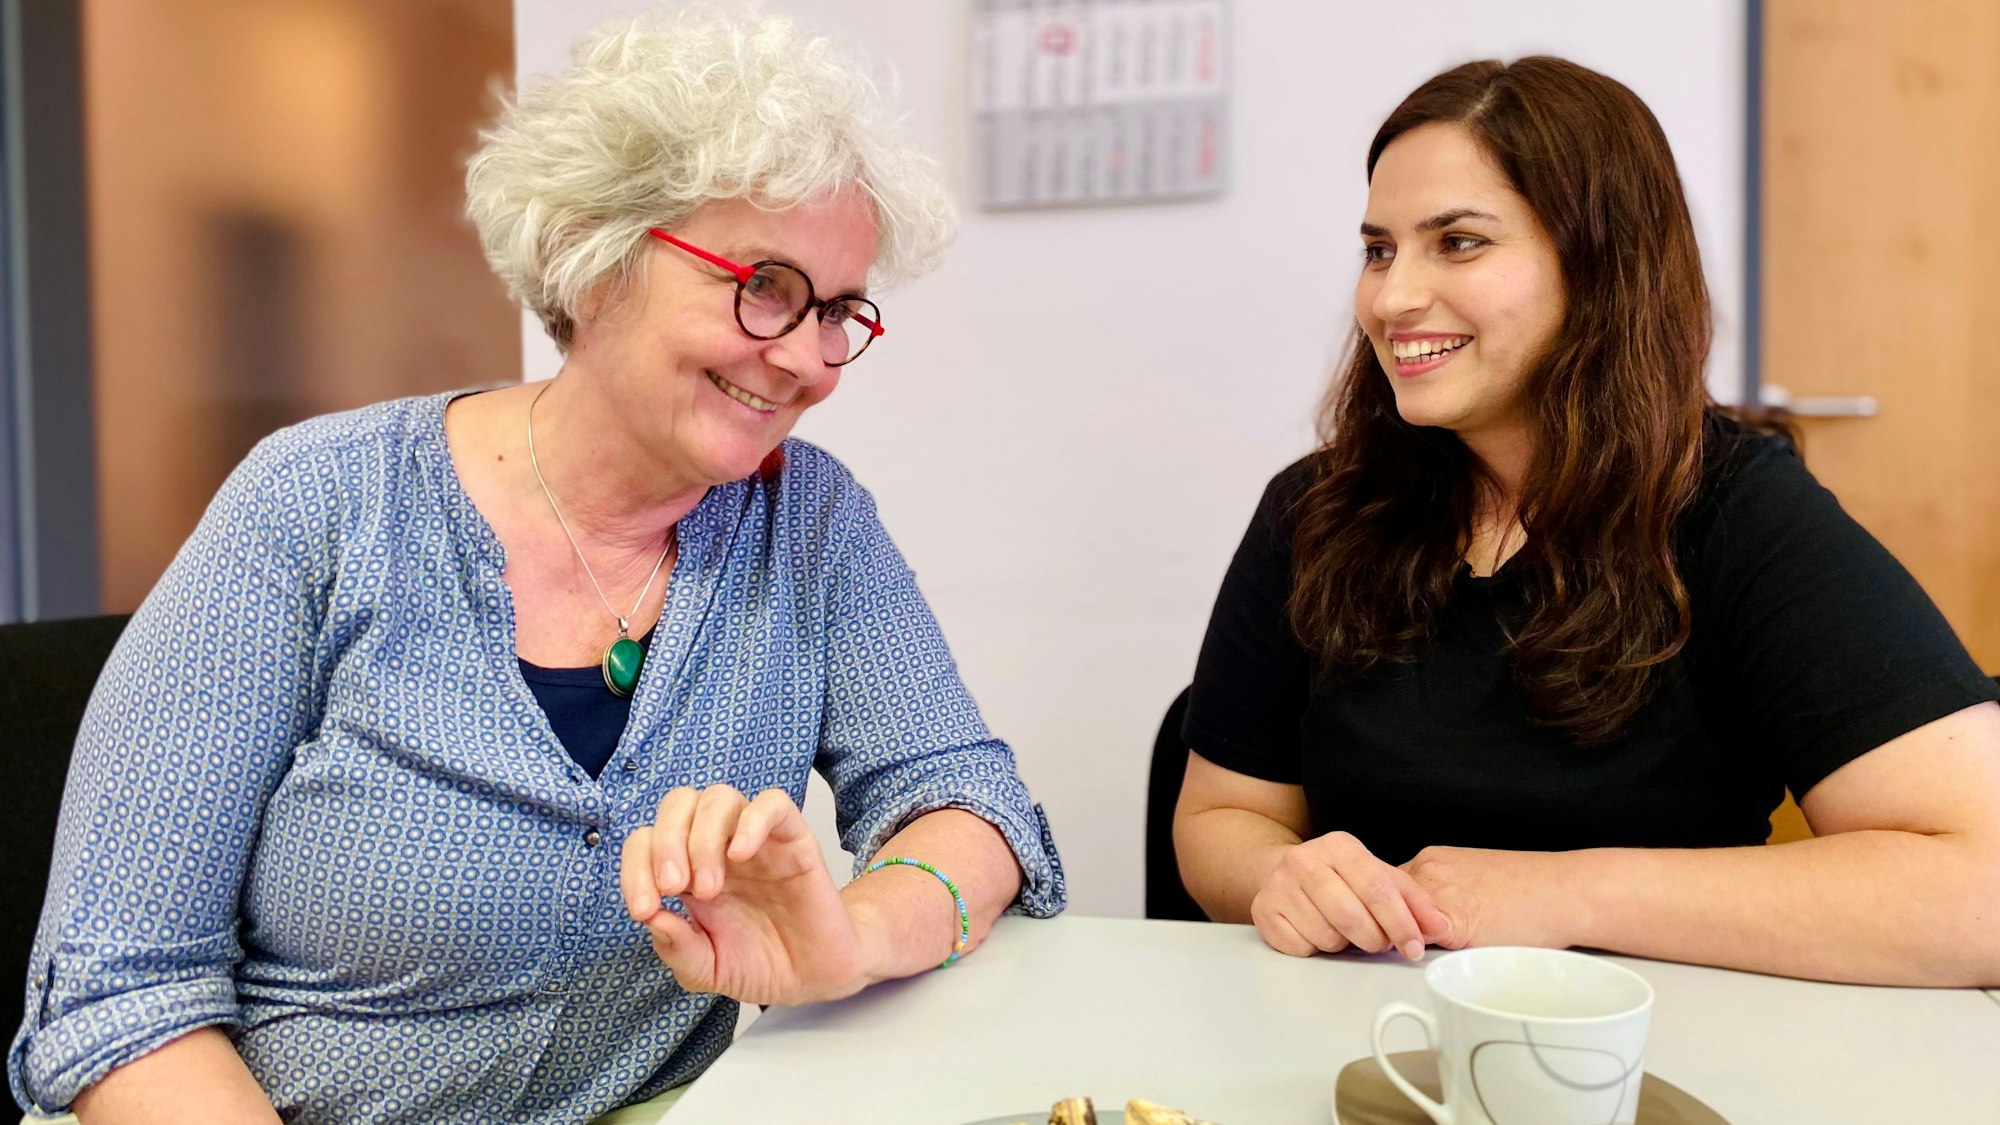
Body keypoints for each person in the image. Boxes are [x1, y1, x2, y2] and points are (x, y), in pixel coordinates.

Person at [9, 12, 1063, 1123]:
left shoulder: (809, 521)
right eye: (764, 285)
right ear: (594, 256)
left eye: (839, 311)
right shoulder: (316, 503)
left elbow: (971, 806)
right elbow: (120, 989)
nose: (807, 359)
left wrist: (850, 941)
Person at [1173, 56, 2000, 986]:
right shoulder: (1316, 509)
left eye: (1458, 242)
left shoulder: (1737, 510)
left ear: (1601, 260)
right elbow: (1217, 816)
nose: (1393, 296)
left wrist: (1570, 897)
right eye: (1378, 249)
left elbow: (1983, 889)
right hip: (1359, 1039)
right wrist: (1277, 875)